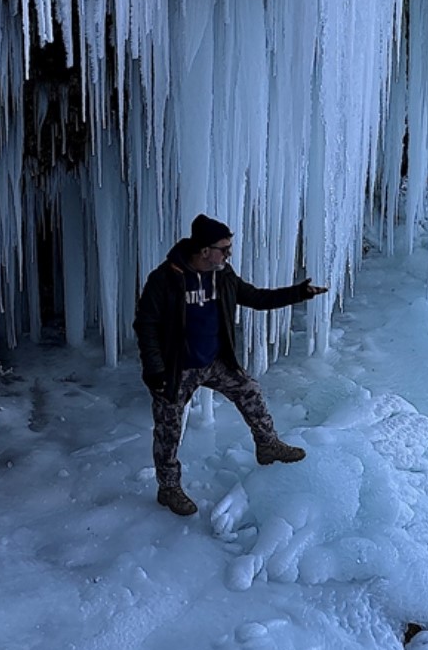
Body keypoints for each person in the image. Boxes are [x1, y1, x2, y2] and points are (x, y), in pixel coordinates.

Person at [133, 214, 326, 516]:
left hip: (214, 360)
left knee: (249, 391)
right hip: (176, 368)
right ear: (204, 250)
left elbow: (257, 298)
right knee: (168, 429)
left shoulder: (223, 276)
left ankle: (268, 445)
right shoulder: (166, 279)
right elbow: (146, 325)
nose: (228, 254)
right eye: (224, 248)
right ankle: (168, 487)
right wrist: (154, 370)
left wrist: (298, 293)